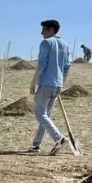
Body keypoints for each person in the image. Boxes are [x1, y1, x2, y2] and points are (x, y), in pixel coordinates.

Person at [28, 19, 71, 155]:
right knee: (46, 116)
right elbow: (67, 67)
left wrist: (33, 82)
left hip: (46, 83)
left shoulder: (46, 43)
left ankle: (59, 139)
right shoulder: (65, 44)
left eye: (44, 29)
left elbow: (41, 64)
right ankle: (36, 144)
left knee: (40, 114)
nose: (41, 33)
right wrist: (62, 83)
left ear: (51, 30)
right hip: (57, 84)